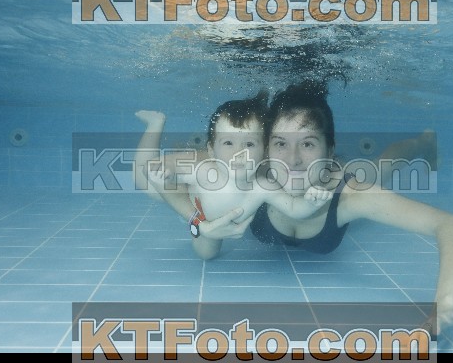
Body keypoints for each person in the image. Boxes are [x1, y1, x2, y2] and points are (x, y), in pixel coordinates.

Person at [148, 79, 453, 336]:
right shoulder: (249, 171)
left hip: (335, 181)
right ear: (264, 149)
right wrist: (200, 224)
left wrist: (444, 305)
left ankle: (422, 143)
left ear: (329, 149)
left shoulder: (351, 195)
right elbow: (162, 176)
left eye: (307, 143)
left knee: (381, 167)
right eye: (280, 144)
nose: (292, 160)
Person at [134, 91, 333, 258]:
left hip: (219, 224)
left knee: (207, 255)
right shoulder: (203, 172)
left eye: (249, 144)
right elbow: (152, 172)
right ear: (211, 150)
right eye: (228, 143)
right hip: (196, 207)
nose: (239, 153)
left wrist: (311, 203)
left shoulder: (263, 187)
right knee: (146, 184)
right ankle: (155, 123)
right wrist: (166, 175)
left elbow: (293, 208)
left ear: (264, 151)